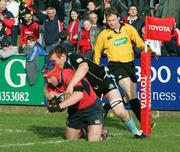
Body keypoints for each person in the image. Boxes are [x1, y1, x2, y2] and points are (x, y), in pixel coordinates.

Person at [47, 46, 146, 138]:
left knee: (119, 111)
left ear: (63, 56)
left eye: (54, 61)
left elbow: (84, 67)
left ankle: (136, 132)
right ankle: (97, 131)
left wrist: (71, 85)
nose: (53, 64)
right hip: (92, 90)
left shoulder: (73, 57)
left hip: (104, 82)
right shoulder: (62, 70)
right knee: (87, 112)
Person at [94, 7, 145, 123]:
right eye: (109, 20)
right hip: (116, 67)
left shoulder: (128, 28)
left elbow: (139, 42)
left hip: (130, 65)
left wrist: (147, 49)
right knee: (132, 94)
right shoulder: (104, 34)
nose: (111, 23)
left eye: (113, 20)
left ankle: (107, 106)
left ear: (118, 18)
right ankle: (144, 123)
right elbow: (97, 52)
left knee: (129, 97)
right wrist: (96, 67)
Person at [43, 61, 103, 142]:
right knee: (70, 138)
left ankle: (102, 133)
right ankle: (85, 129)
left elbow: (78, 95)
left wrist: (59, 106)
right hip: (75, 109)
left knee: (93, 141)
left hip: (92, 107)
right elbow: (57, 103)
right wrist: (53, 103)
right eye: (46, 78)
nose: (48, 81)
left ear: (56, 74)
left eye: (49, 77)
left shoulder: (68, 74)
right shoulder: (51, 85)